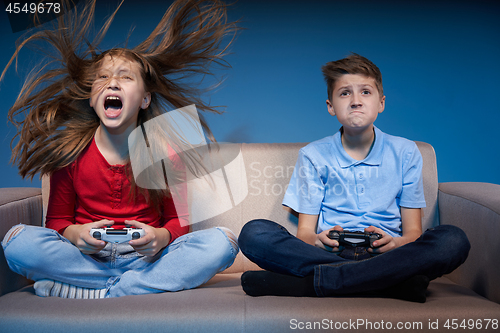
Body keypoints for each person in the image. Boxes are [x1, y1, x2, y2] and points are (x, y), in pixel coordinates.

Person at [1, 0, 239, 299]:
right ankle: (132, 288)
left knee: (224, 242)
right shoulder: (70, 153)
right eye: (102, 77)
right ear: (91, 98)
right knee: (16, 241)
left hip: (148, 259)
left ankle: (102, 291)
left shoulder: (167, 154)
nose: (112, 82)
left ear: (145, 100)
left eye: (125, 77)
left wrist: (160, 237)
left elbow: (178, 224)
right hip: (86, 258)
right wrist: (77, 235)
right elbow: (58, 222)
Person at [238, 54, 470, 303]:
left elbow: (413, 233)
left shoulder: (406, 151)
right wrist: (318, 240)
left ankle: (315, 283)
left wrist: (396, 244)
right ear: (331, 106)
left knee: (452, 240)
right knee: (254, 233)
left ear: (381, 103)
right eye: (345, 93)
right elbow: (305, 234)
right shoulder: (313, 155)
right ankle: (388, 284)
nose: (356, 101)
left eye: (366, 92)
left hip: (388, 255)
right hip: (332, 253)